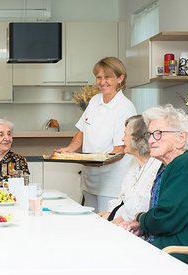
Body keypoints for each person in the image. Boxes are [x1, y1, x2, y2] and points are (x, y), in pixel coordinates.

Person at [121, 104, 188, 275]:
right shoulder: (168, 167)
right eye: (149, 134)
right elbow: (166, 216)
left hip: (184, 256)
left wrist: (140, 219)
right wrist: (143, 226)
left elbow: (165, 219)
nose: (151, 140)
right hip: (169, 250)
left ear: (181, 138)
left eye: (159, 134)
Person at [56, 57, 136, 212]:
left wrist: (96, 160)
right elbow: (82, 132)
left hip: (111, 182)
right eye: (99, 77)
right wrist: (68, 150)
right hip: (90, 179)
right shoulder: (94, 101)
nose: (102, 82)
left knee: (107, 225)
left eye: (108, 77)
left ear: (120, 78)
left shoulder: (125, 108)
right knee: (89, 222)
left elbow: (120, 148)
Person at [99, 115, 161, 223]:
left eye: (125, 134)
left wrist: (109, 223)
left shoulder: (157, 168)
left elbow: (140, 209)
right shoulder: (134, 162)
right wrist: (107, 215)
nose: (122, 139)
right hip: (117, 221)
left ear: (138, 139)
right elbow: (122, 198)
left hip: (132, 229)